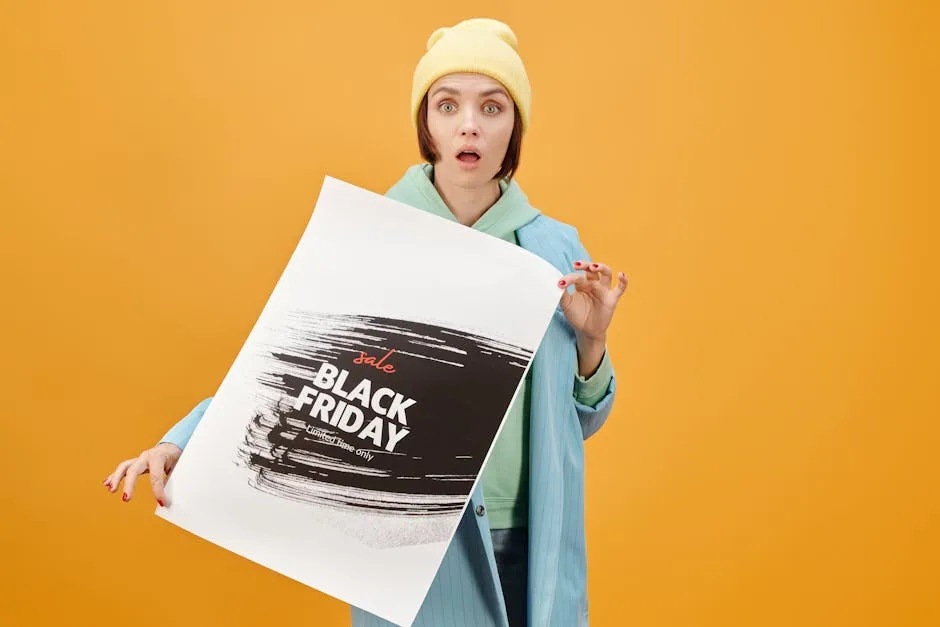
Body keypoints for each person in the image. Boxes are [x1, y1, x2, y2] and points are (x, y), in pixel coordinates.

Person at [103, 17, 627, 627]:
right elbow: (296, 374)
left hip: (536, 537)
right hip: (421, 546)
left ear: (515, 126)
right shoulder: (372, 237)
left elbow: (577, 422)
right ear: (425, 123)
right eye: (447, 103)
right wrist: (180, 441)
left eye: (492, 107)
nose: (469, 124)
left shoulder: (553, 251)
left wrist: (592, 343)